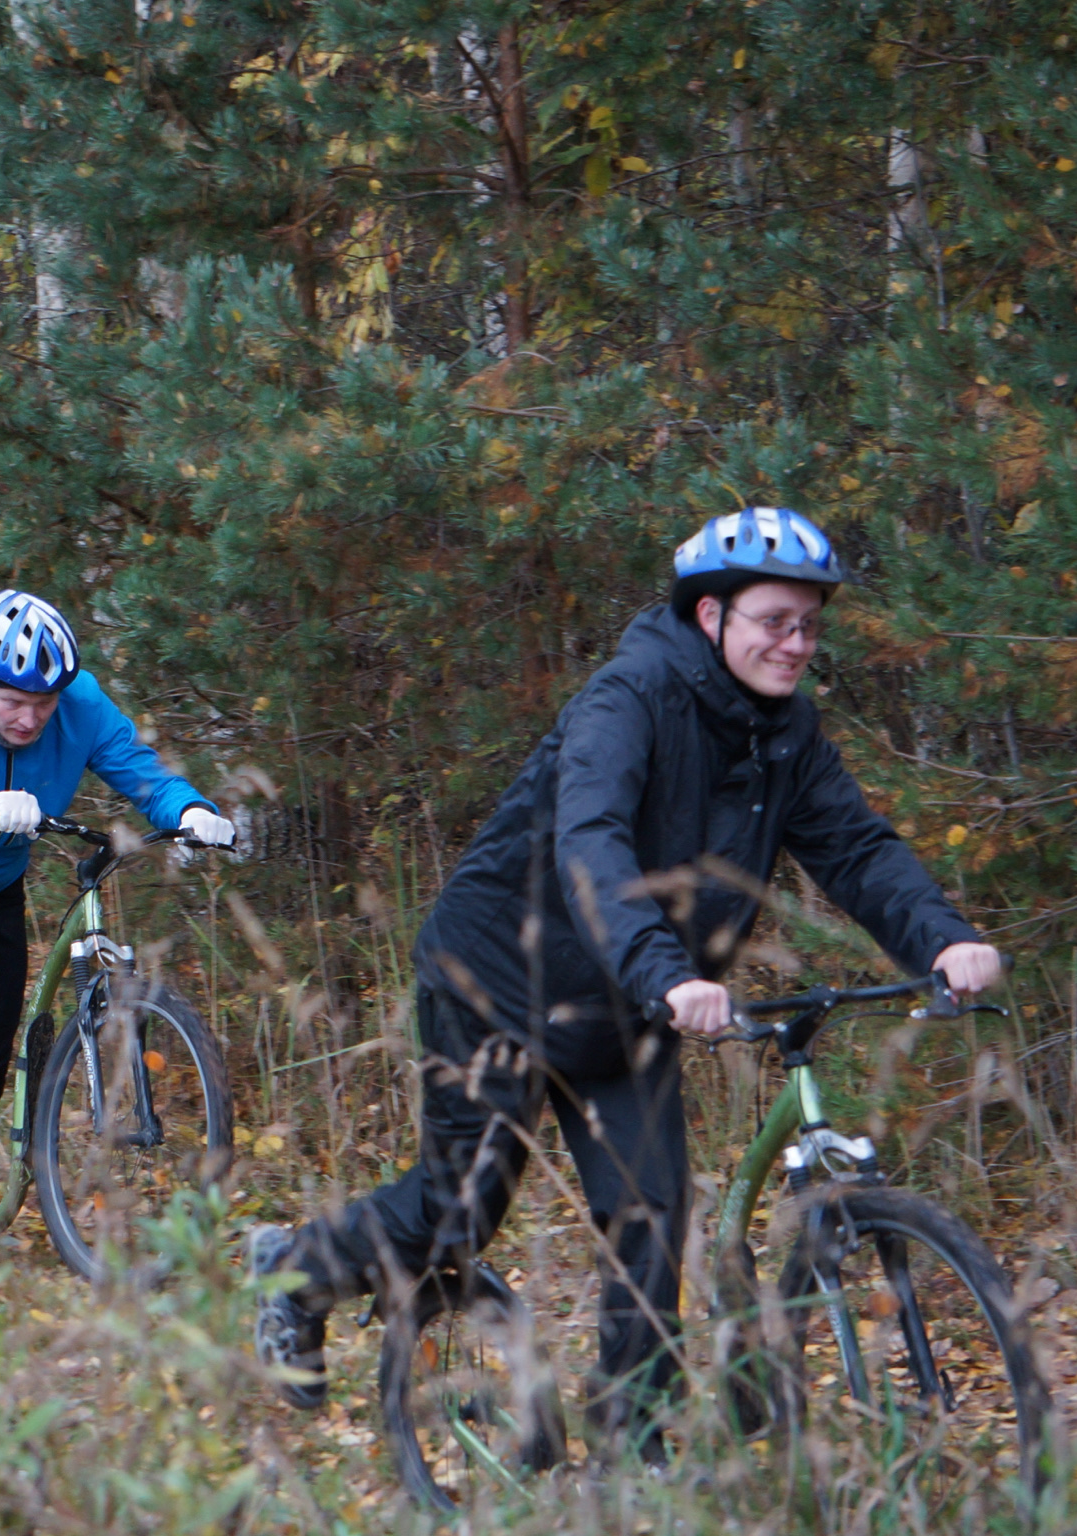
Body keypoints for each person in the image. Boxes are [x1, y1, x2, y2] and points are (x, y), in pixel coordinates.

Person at [250, 506, 1003, 1458]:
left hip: (631, 1006)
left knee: (650, 1221)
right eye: (776, 620)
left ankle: (630, 1446)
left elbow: (855, 851)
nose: (798, 643)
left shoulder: (787, 735)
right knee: (460, 1209)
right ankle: (294, 1270)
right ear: (710, 618)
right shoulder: (629, 699)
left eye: (811, 624)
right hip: (499, 983)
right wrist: (668, 973)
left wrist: (942, 939)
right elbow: (592, 845)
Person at [0, 589, 237, 1196]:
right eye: (13, 701)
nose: (30, 719)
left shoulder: (81, 708)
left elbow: (139, 770)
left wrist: (192, 809)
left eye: (44, 703)